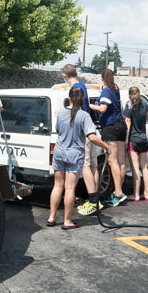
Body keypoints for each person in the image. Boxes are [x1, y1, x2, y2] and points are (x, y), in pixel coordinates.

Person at [47, 87, 110, 228]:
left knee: (57, 186)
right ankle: (67, 221)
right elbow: (92, 137)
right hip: (74, 155)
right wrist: (106, 146)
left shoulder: (61, 112)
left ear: (69, 98)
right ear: (82, 99)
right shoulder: (84, 116)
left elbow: (58, 130)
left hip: (59, 153)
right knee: (69, 189)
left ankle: (51, 218)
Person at [83, 69, 127, 212]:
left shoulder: (107, 92)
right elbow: (99, 87)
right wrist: (86, 86)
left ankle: (118, 193)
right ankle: (117, 192)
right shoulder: (114, 88)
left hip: (111, 127)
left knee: (111, 161)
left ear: (102, 78)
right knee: (120, 162)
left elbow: (102, 109)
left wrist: (87, 105)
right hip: (121, 126)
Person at [57, 64, 100, 194]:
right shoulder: (81, 85)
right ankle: (96, 197)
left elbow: (76, 111)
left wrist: (62, 112)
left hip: (82, 131)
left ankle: (92, 199)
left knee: (85, 166)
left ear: (64, 75)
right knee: (93, 166)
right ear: (75, 74)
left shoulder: (75, 89)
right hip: (90, 127)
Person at [123, 87, 148, 200]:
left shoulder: (129, 105)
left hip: (133, 140)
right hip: (144, 139)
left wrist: (126, 140)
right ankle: (147, 193)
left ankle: (136, 195)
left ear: (130, 95)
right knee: (144, 167)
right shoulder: (144, 104)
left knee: (135, 169)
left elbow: (128, 122)